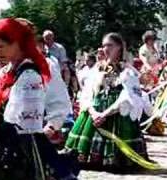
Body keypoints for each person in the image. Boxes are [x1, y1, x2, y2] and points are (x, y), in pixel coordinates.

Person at [0, 18, 75, 180]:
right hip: (9, 139)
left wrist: (52, 125)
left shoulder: (36, 69)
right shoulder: (4, 72)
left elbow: (59, 100)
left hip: (27, 140)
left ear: (18, 42)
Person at [65, 33, 152, 170]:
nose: (106, 49)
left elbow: (129, 98)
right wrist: (93, 113)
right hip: (96, 112)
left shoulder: (128, 70)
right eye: (104, 45)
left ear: (119, 47)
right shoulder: (97, 69)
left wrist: (104, 114)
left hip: (117, 114)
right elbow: (87, 94)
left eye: (110, 45)